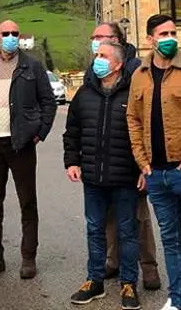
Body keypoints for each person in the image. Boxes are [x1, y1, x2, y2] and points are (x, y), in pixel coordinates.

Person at [127, 14, 181, 310]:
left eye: (173, 32)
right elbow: (133, 120)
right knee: (170, 241)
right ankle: (177, 302)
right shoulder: (139, 75)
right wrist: (142, 161)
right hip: (156, 174)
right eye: (163, 34)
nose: (170, 38)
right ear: (150, 39)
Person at [0, 19, 57, 280]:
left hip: (21, 145)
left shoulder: (32, 66)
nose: (10, 37)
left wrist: (40, 133)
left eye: (14, 33)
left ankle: (28, 257)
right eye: (5, 33)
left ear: (19, 37)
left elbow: (48, 102)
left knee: (28, 202)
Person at [64, 39, 144, 309]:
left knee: (127, 232)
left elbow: (145, 134)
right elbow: (72, 132)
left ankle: (129, 283)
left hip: (126, 178)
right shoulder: (85, 94)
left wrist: (145, 168)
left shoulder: (134, 92)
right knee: (94, 229)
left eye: (104, 56)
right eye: (96, 54)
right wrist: (71, 162)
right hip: (93, 178)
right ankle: (94, 280)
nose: (97, 59)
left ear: (119, 64)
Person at [89, 22, 162, 290]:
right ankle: (114, 260)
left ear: (118, 40)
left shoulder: (138, 70)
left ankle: (149, 267)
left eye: (102, 38)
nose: (96, 42)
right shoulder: (95, 69)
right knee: (108, 214)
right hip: (104, 157)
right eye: (94, 37)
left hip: (132, 156)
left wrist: (144, 163)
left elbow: (148, 118)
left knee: (138, 217)